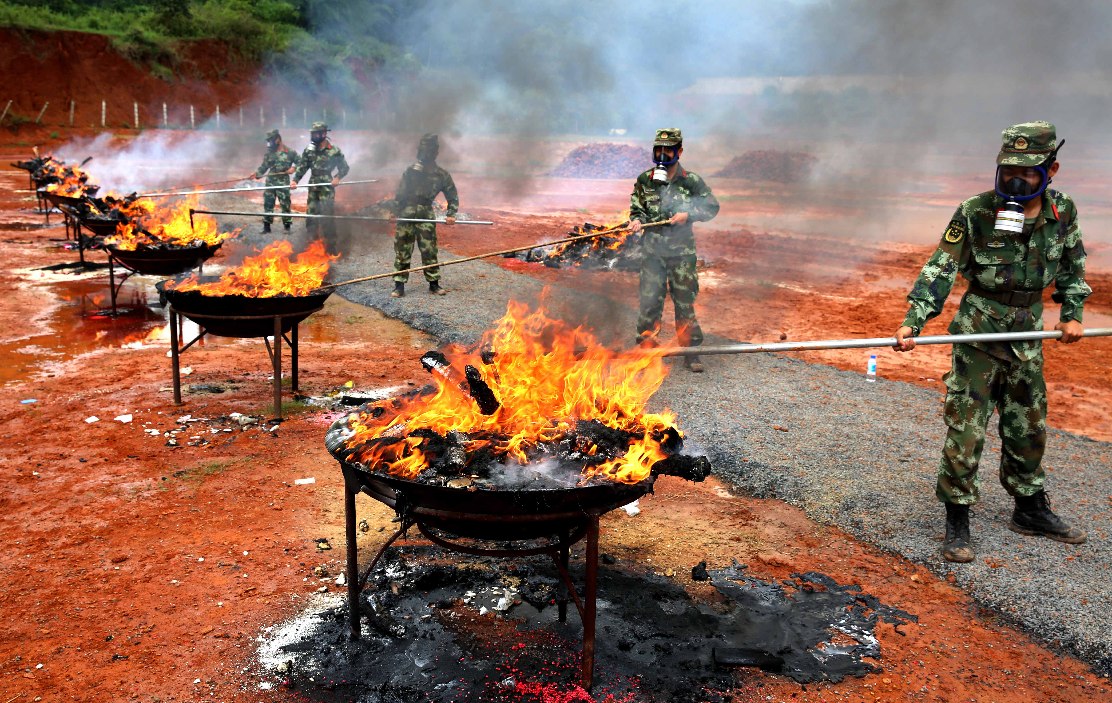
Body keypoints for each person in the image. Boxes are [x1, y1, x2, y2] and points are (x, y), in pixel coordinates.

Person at [893, 121, 1090, 563]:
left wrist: (1073, 314)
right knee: (966, 427)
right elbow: (941, 267)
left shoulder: (1063, 210)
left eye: (1027, 172)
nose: (1015, 180)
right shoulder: (975, 211)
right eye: (1008, 171)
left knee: (1028, 425)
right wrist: (914, 321)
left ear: (1051, 170)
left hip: (1028, 334)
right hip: (979, 333)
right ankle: (957, 518)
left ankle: (1029, 508)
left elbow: (1073, 267)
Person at [628, 127, 719, 372]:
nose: (662, 153)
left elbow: (712, 207)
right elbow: (637, 208)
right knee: (649, 303)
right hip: (653, 254)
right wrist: (636, 220)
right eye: (658, 148)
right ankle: (646, 350)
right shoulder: (645, 179)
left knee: (685, 303)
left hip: (682, 254)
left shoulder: (691, 181)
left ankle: (690, 352)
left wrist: (688, 215)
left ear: (679, 151)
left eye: (668, 149)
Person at [390, 133, 458, 298]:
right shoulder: (410, 172)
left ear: (435, 152)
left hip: (426, 214)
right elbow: (400, 194)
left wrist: (451, 213)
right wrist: (393, 211)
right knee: (402, 249)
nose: (425, 154)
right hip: (406, 212)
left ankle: (433, 284)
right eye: (423, 150)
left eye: (429, 150)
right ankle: (399, 285)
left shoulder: (441, 174)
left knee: (429, 250)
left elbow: (452, 195)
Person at [291, 121, 350, 240]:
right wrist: (295, 180)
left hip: (327, 185)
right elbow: (303, 167)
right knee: (311, 214)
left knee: (326, 214)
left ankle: (330, 243)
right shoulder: (309, 150)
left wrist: (337, 178)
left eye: (316, 134)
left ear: (324, 134)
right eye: (313, 134)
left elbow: (345, 168)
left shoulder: (334, 151)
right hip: (313, 184)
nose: (314, 136)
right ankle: (311, 241)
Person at [246, 129, 298, 233]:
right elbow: (264, 167)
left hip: (283, 182)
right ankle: (266, 227)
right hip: (270, 182)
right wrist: (256, 174)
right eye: (268, 141)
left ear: (278, 139)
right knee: (268, 204)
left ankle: (287, 227)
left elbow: (301, 163)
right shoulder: (269, 153)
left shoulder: (290, 152)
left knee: (285, 204)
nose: (269, 143)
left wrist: (294, 168)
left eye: (271, 140)